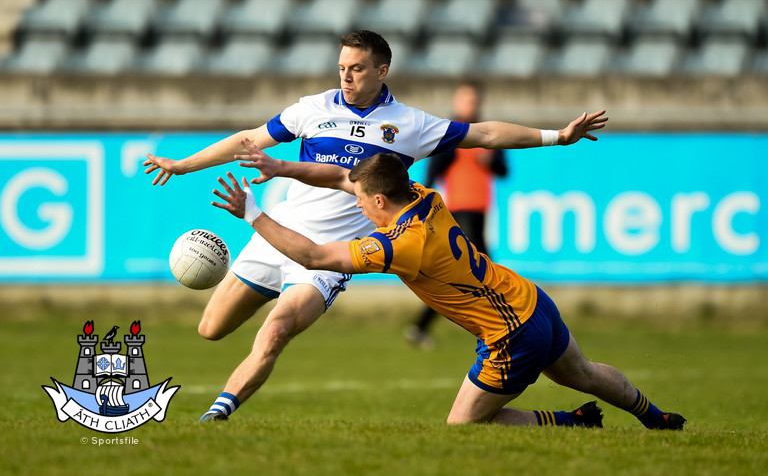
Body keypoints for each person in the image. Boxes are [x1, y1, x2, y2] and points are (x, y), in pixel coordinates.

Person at [143, 30, 608, 422]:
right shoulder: (312, 108)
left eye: (357, 68)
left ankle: (216, 415)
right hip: (277, 232)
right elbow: (249, 139)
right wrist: (184, 165)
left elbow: (483, 134)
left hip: (325, 259)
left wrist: (557, 137)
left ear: (382, 71)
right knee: (211, 329)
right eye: (342, 67)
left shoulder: (409, 124)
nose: (346, 76)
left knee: (276, 329)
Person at [210, 149, 686, 429]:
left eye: (361, 202)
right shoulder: (424, 197)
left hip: (508, 336)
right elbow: (347, 179)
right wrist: (286, 168)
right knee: (582, 371)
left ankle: (568, 423)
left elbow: (314, 257)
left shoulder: (400, 246)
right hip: (530, 300)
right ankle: (656, 416)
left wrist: (253, 213)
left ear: (379, 200)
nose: (359, 209)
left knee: (461, 428)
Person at [406, 82, 508, 349]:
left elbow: (504, 170)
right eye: (466, 101)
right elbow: (433, 171)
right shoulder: (452, 136)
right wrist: (424, 203)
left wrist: (492, 162)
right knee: (482, 269)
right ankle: (495, 327)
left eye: (474, 101)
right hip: (458, 209)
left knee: (467, 271)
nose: (470, 106)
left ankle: (421, 327)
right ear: (457, 103)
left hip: (480, 208)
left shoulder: (489, 135)